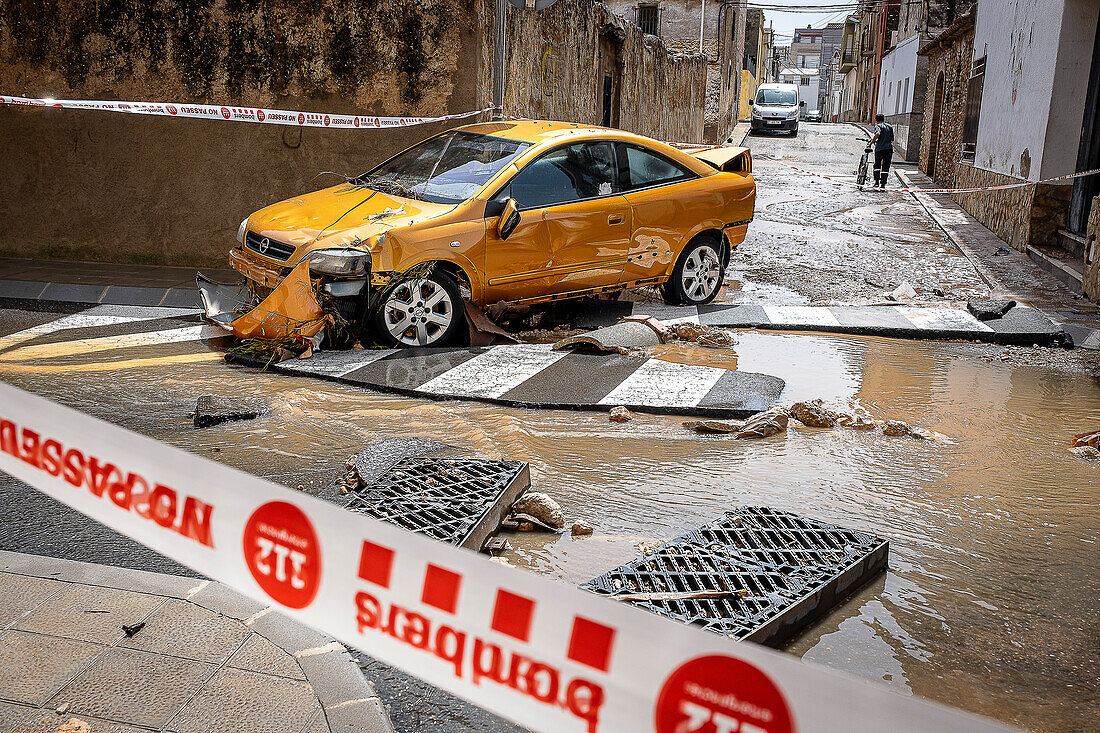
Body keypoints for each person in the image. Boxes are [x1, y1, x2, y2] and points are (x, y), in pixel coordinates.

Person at [868, 113, 894, 190]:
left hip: (880, 149)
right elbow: (892, 139)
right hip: (889, 149)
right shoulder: (889, 126)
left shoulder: (878, 126)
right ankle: (883, 184)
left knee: (877, 165)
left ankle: (876, 182)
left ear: (876, 120)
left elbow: (878, 133)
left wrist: (872, 142)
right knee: (886, 166)